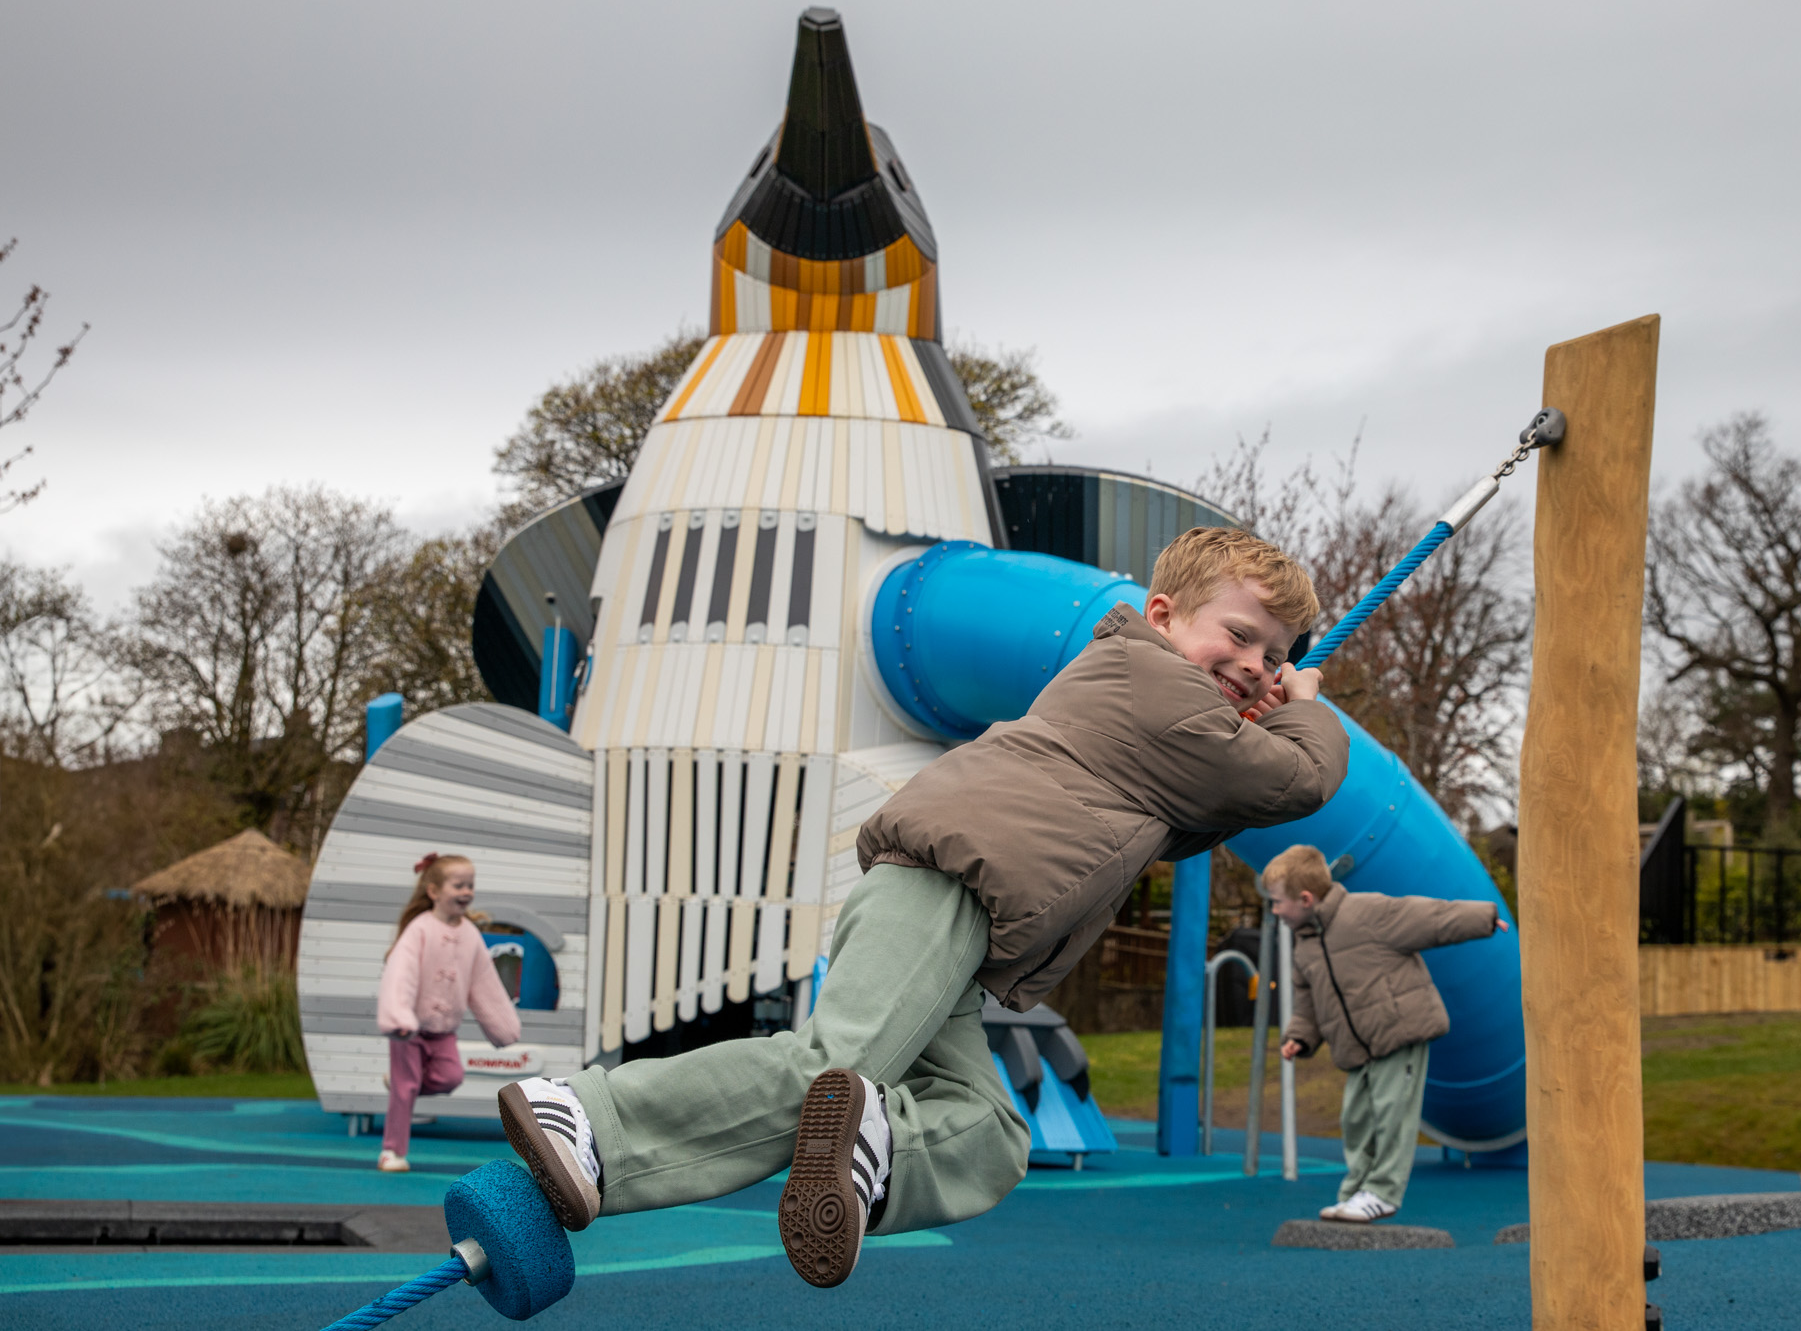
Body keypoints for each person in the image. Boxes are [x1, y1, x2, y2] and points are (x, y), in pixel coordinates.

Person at [499, 526, 1350, 1287]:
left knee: (990, 1130)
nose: (1256, 666)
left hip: (969, 926)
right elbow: (1292, 781)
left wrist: (1267, 716)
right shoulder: (1147, 679)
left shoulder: (1170, 714)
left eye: (1275, 658)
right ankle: (585, 1116)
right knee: (834, 1061)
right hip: (950, 879)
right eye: (1240, 636)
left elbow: (1193, 817)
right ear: (1162, 615)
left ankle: (872, 1152)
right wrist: (1305, 713)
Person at [1266, 844, 1508, 1224]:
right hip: (1355, 1046)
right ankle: (1356, 1191)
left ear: (1306, 898)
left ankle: (1383, 1192)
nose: (1275, 910)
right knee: (1356, 1119)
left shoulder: (1368, 913)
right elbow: (1306, 997)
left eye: (1278, 902)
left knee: (1392, 1112)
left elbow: (1430, 917)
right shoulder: (1305, 944)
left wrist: (1483, 918)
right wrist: (1301, 1035)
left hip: (1399, 1032)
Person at [374, 852, 521, 1173]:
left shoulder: (470, 934)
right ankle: (391, 1151)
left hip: (443, 1030)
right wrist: (400, 1016)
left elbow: (484, 981)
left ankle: (399, 1084)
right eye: (458, 885)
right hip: (409, 1028)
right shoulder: (420, 929)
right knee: (406, 1086)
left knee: (450, 1077)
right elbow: (402, 973)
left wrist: (503, 1026)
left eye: (470, 885)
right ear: (434, 892)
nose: (466, 892)